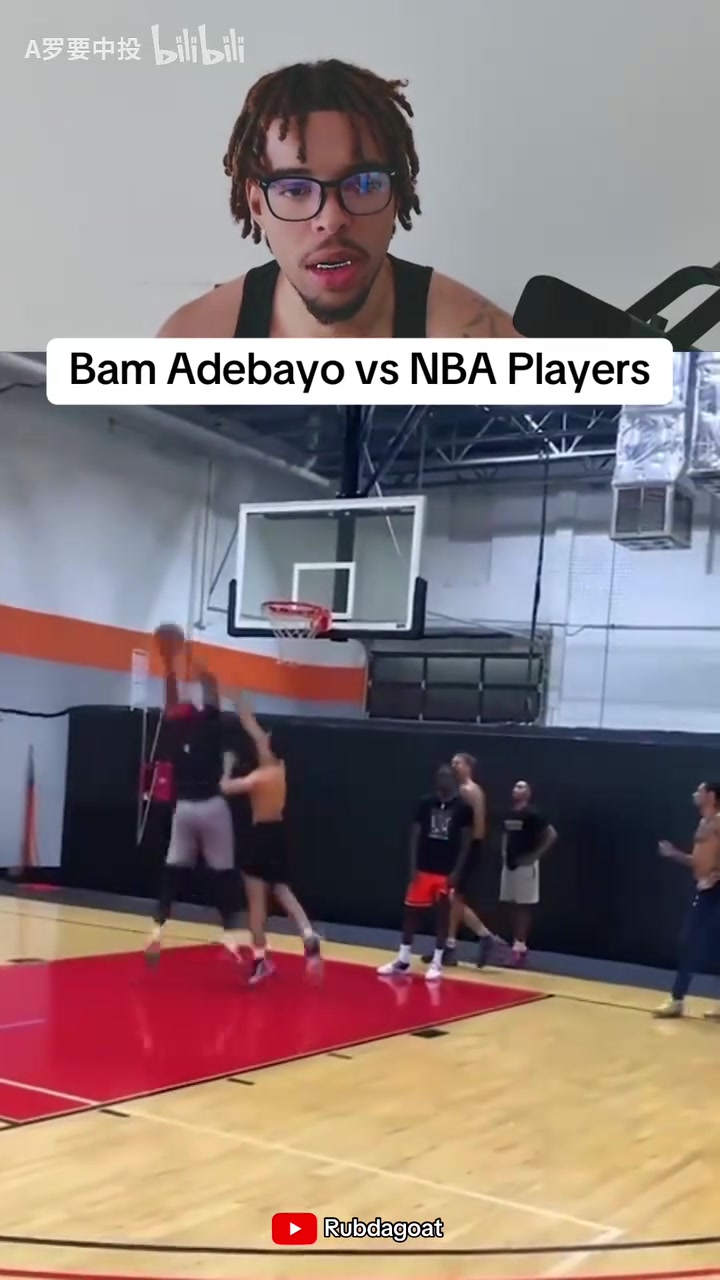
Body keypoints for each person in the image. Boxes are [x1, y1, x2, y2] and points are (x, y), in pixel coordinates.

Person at [157, 58, 517, 341]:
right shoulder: (192, 346)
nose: (331, 220)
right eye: (296, 189)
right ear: (257, 205)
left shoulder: (483, 345)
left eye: (363, 184)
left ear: (397, 195)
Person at [145, 625, 243, 966]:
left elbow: (178, 699)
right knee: (220, 873)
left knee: (174, 869)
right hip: (208, 807)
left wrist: (173, 663)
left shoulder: (184, 724)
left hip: (187, 808)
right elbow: (207, 690)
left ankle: (157, 928)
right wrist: (184, 661)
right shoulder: (210, 722)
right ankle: (229, 934)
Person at [220, 698, 322, 984]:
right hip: (278, 834)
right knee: (281, 889)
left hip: (260, 836)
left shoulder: (259, 777)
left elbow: (225, 788)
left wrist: (227, 767)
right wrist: (242, 709)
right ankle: (307, 931)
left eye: (266, 740)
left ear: (269, 748)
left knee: (256, 904)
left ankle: (259, 960)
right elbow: (257, 733)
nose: (262, 740)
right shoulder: (280, 769)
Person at [378, 764, 474, 982]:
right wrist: (413, 866)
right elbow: (415, 834)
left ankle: (437, 961)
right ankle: (403, 959)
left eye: (446, 776)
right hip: (423, 868)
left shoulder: (463, 808)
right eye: (439, 776)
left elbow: (467, 842)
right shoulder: (425, 803)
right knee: (411, 913)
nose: (442, 780)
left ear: (454, 780)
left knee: (442, 916)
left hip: (445, 871)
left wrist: (457, 871)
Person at [425, 752, 499, 968]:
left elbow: (476, 827)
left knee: (453, 897)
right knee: (451, 898)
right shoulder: (465, 790)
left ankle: (455, 944)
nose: (454, 765)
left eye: (458, 762)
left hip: (467, 848)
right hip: (462, 848)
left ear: (468, 766)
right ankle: (478, 938)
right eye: (452, 762)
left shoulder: (468, 791)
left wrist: (466, 850)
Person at [654, 781, 720, 1020]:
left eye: (699, 791)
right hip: (705, 890)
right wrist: (674, 854)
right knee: (690, 942)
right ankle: (677, 1000)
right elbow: (698, 860)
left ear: (710, 795)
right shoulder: (704, 823)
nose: (695, 794)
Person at [499, 780, 557, 966]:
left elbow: (551, 834)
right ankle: (515, 944)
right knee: (512, 904)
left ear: (529, 793)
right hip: (510, 864)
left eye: (521, 786)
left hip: (525, 865)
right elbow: (506, 834)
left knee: (523, 906)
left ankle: (520, 948)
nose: (516, 789)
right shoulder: (509, 813)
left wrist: (534, 856)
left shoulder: (533, 813)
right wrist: (504, 852)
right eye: (515, 786)